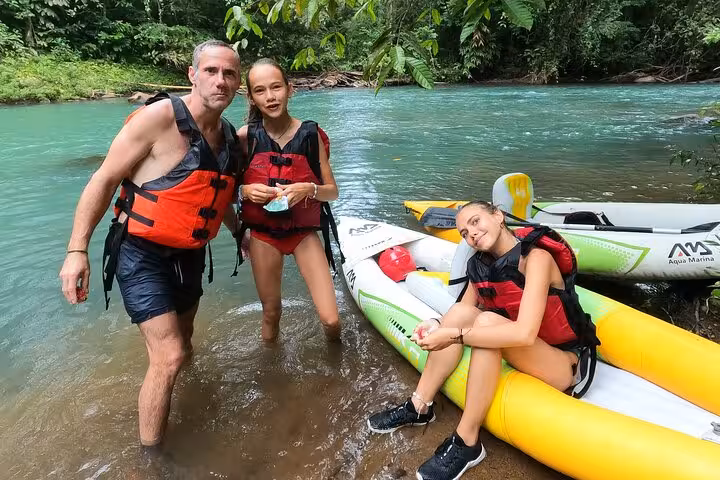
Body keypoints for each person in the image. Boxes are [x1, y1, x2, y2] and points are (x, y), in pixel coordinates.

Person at [58, 39, 244, 446]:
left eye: (230, 74)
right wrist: (77, 251)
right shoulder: (158, 119)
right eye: (211, 71)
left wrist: (238, 232)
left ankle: (184, 397)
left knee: (186, 340)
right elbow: (103, 180)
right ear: (192, 75)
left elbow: (216, 195)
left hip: (190, 254)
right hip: (140, 251)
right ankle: (150, 459)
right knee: (169, 353)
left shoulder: (228, 137)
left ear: (238, 83)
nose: (220, 80)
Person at [367, 201, 600, 480]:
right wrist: (436, 325)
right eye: (464, 232)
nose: (472, 234)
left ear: (498, 215)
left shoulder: (536, 258)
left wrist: (454, 335)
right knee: (466, 313)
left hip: (564, 363)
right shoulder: (480, 265)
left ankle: (467, 442)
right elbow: (460, 312)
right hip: (529, 348)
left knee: (485, 322)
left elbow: (524, 334)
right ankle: (419, 405)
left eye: (476, 222)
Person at [236, 58, 342, 342]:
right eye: (260, 91)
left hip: (303, 234)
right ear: (251, 97)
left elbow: (332, 191)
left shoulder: (310, 135)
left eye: (276, 87)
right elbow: (226, 190)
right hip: (264, 235)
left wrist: (309, 188)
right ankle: (272, 377)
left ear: (289, 89)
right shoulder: (245, 138)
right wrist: (244, 192)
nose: (270, 97)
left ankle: (336, 370)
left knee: (331, 320)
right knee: (271, 313)